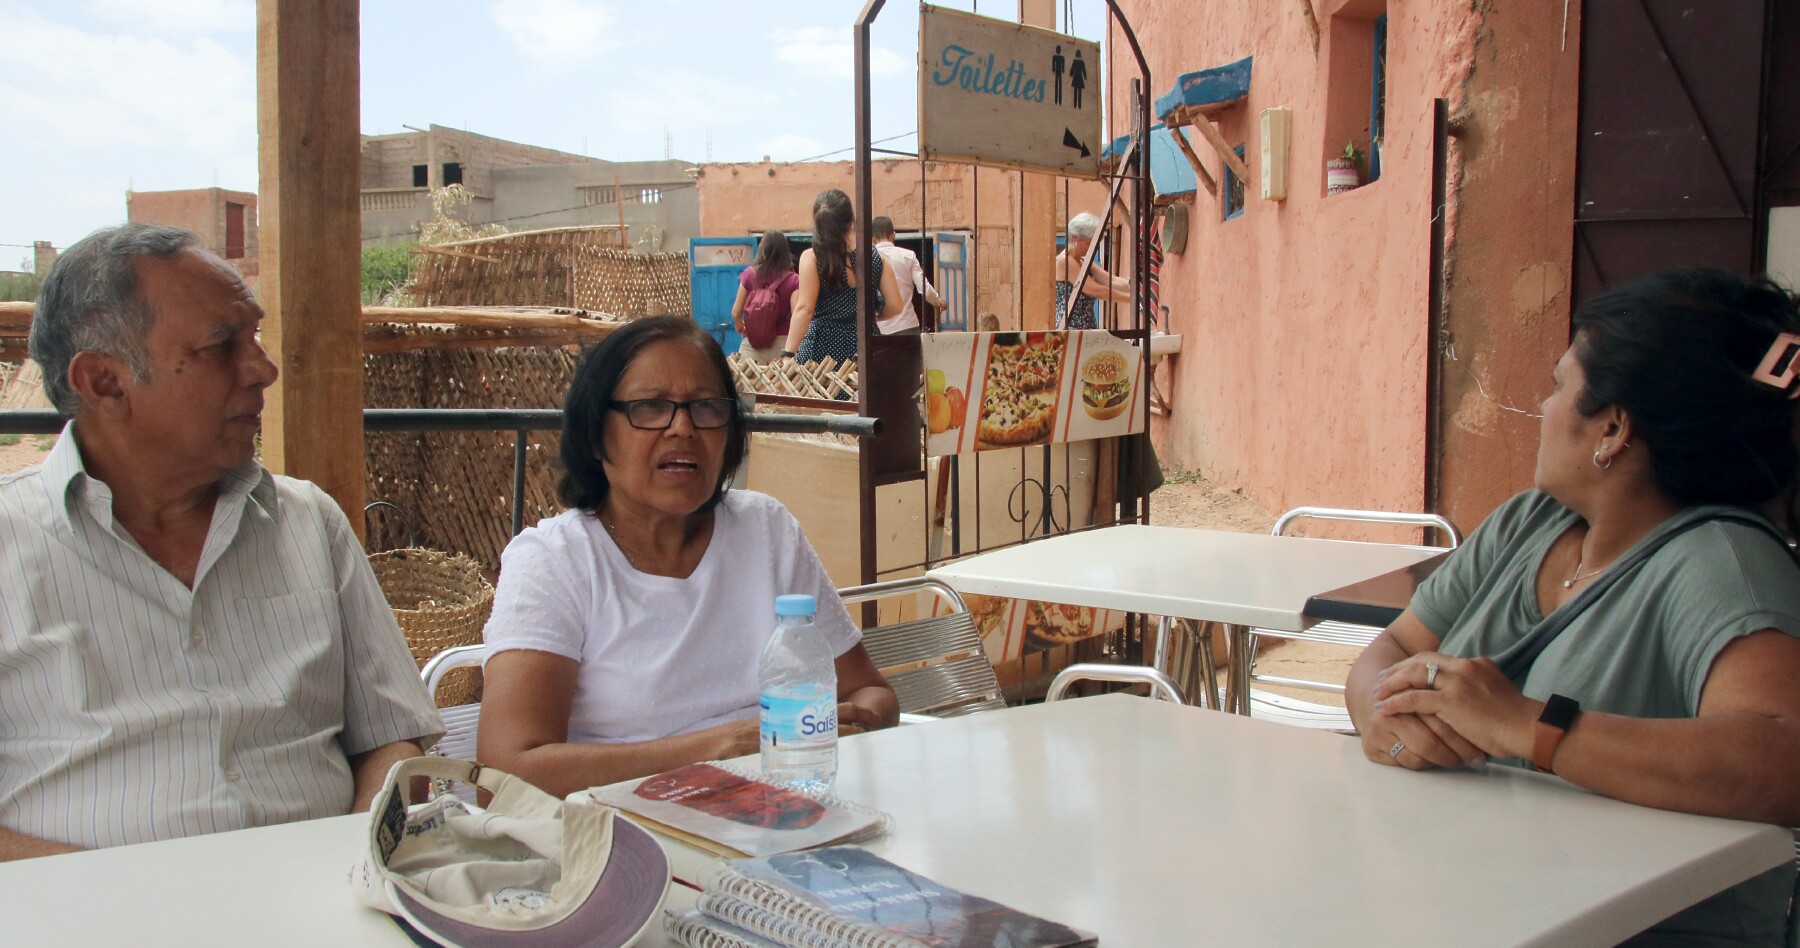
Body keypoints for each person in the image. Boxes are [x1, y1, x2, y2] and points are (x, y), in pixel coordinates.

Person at [1346, 268, 1800, 944]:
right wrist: (1384, 716)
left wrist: (1529, 726)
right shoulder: (1529, 521)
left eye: (1560, 385)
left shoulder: (1722, 562)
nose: (1543, 405)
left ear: (1612, 429)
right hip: (1477, 905)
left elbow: (1782, 759)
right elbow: (1394, 649)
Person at [0, 223, 442, 862]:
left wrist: (355, 861)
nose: (263, 368)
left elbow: (395, 741)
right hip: (83, 908)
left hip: (322, 894)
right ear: (104, 382)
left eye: (253, 335)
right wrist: (123, 898)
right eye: (221, 344)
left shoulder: (308, 522)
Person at [476, 316, 899, 798]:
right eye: (650, 407)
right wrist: (711, 753)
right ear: (595, 435)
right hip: (620, 831)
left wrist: (835, 731)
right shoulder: (556, 561)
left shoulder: (765, 530)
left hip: (781, 811)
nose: (683, 428)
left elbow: (871, 693)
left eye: (706, 407)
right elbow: (502, 776)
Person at [786, 189, 902, 365]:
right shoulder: (875, 258)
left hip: (821, 352)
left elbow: (805, 308)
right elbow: (895, 305)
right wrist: (869, 318)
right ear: (851, 221)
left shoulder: (812, 258)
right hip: (865, 347)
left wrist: (787, 352)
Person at [870, 216, 945, 336]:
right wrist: (937, 301)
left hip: (879, 329)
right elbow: (924, 289)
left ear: (873, 238)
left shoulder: (867, 260)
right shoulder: (908, 256)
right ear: (893, 235)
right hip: (907, 325)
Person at [731, 230, 799, 363]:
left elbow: (735, 312)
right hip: (782, 345)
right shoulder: (793, 280)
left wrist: (741, 325)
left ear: (762, 251)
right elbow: (796, 315)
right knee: (783, 378)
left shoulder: (749, 274)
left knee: (748, 377)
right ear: (786, 253)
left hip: (751, 346)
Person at [1055, 212, 1130, 330]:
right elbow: (1096, 290)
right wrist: (1133, 299)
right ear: (1075, 238)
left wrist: (1135, 286)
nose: (1092, 247)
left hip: (1087, 326)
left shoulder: (1083, 261)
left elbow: (1111, 280)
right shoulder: (1065, 261)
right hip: (1071, 328)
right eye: (1088, 243)